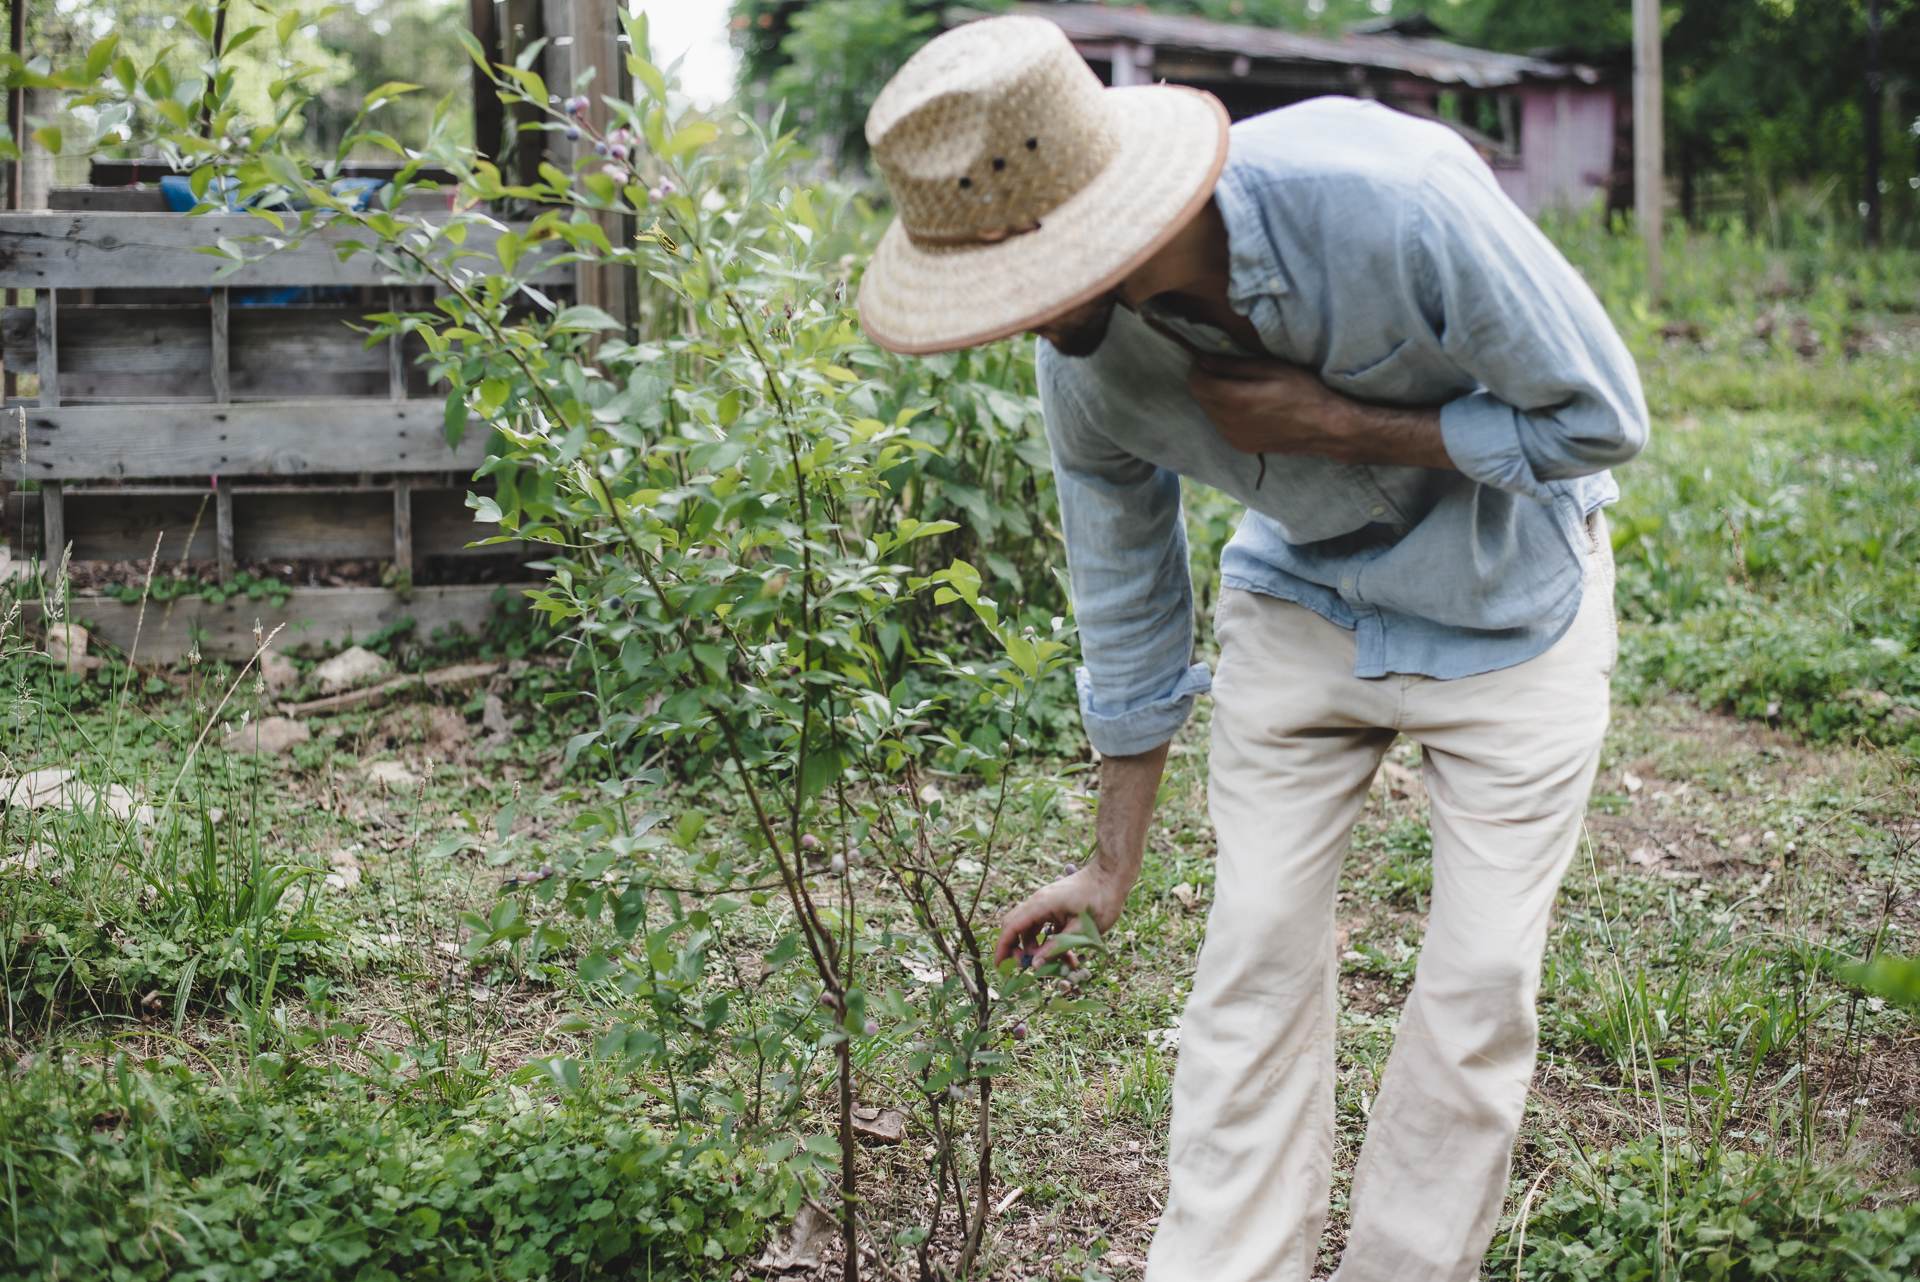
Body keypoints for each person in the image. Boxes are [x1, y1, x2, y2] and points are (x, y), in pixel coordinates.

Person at [855, 15, 1647, 1282]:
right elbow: (1126, 599)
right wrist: (1109, 863)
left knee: (1479, 984)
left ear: (1090, 225)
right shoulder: (1084, 367)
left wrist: (1343, 425)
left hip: (1512, 607)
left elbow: (1600, 419)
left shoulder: (1393, 202)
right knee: (1253, 960)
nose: (1008, 325)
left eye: (1018, 286)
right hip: (1303, 602)